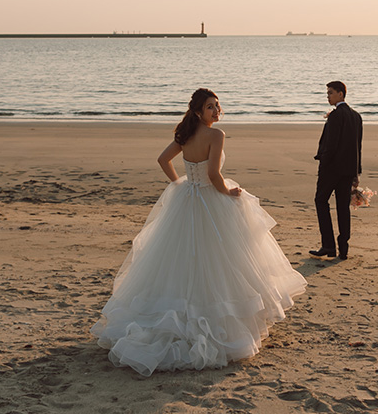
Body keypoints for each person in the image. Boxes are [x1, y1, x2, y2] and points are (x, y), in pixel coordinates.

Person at [91, 88, 307, 376]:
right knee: (221, 260)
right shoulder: (216, 136)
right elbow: (214, 176)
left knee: (179, 260)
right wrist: (230, 192)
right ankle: (222, 325)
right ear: (198, 111)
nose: (217, 112)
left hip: (186, 200)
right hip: (210, 199)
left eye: (218, 106)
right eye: (210, 107)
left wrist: (179, 183)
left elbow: (162, 160)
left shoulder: (186, 135)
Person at [310, 80, 363, 260]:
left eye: (331, 93)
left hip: (331, 169)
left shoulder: (335, 116)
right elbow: (358, 147)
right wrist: (356, 173)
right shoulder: (356, 116)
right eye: (327, 93)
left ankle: (328, 246)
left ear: (341, 94)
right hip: (348, 170)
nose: (328, 96)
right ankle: (343, 249)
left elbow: (330, 145)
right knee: (343, 208)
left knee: (320, 201)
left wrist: (322, 161)